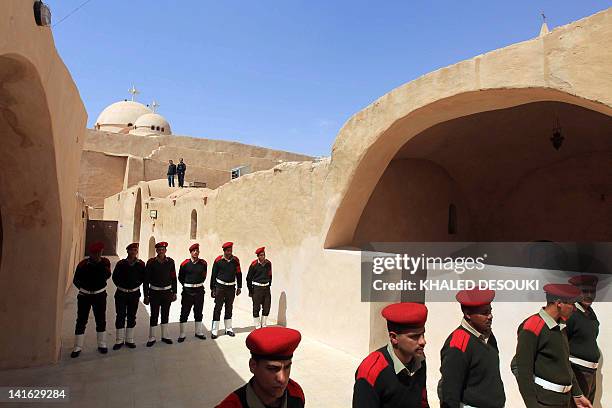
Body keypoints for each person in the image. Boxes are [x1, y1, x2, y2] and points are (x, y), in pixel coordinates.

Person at [512, 283, 592, 408]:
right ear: (559, 303)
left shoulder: (560, 325)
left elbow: (565, 363)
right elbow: (523, 371)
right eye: (572, 304)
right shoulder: (532, 327)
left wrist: (577, 394)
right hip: (544, 402)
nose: (575, 309)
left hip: (563, 400)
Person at [353, 302, 429, 407]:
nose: (423, 341)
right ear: (394, 338)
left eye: (423, 334)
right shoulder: (371, 371)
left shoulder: (419, 359)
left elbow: (422, 401)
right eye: (414, 336)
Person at [438, 289, 505, 408]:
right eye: (484, 313)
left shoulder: (487, 335)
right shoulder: (458, 344)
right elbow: (450, 392)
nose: (490, 316)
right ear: (468, 314)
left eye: (490, 311)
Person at [216, 327, 305, 407]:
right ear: (253, 366)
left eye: (287, 367)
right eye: (272, 369)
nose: (282, 379)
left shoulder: (295, 394)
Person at [71, 241, 111, 358]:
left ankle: (102, 344)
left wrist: (99, 264)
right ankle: (77, 346)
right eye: (95, 253)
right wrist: (84, 289)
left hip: (99, 295)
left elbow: (107, 276)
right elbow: (76, 280)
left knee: (100, 319)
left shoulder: (105, 262)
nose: (97, 255)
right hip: (84, 296)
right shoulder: (83, 264)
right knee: (81, 320)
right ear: (90, 253)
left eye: (99, 253)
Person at [567, 275, 600, 406]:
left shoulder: (591, 314)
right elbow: (562, 345)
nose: (590, 295)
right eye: (585, 291)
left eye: (593, 291)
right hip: (577, 372)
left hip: (591, 373)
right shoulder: (571, 314)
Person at [112, 242, 146, 350]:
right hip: (121, 294)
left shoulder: (141, 264)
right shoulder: (121, 264)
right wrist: (121, 286)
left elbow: (143, 278)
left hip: (134, 294)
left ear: (137, 252)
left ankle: (129, 339)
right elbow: (114, 277)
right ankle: (119, 340)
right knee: (120, 315)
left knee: (132, 316)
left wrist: (136, 285)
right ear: (127, 251)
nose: (133, 252)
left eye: (135, 250)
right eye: (131, 250)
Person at [144, 241, 177, 346]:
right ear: (156, 251)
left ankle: (165, 336)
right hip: (154, 292)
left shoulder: (170, 262)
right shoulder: (151, 262)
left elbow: (173, 277)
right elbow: (146, 280)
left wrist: (174, 292)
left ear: (165, 251)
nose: (161, 251)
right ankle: (152, 337)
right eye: (159, 249)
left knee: (165, 313)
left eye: (163, 249)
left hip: (167, 292)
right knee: (154, 314)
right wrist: (146, 295)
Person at [210, 242, 242, 339]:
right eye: (228, 251)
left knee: (229, 307)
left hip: (231, 288)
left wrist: (239, 287)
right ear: (224, 251)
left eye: (231, 250)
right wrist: (212, 288)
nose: (230, 252)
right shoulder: (218, 261)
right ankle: (214, 330)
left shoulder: (236, 260)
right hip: (220, 287)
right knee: (218, 308)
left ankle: (228, 329)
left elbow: (239, 274)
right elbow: (213, 275)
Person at [178, 243, 207, 342]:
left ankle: (198, 332)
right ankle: (182, 334)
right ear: (190, 252)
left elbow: (204, 275)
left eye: (197, 251)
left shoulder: (203, 263)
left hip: (199, 291)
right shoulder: (184, 264)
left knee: (198, 311)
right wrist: (188, 285)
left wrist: (197, 284)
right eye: (194, 251)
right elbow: (180, 277)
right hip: (187, 291)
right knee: (185, 311)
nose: (196, 252)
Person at [246, 246, 272, 329]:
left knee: (267, 306)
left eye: (264, 255)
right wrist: (250, 290)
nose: (263, 257)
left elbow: (270, 275)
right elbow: (248, 278)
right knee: (256, 307)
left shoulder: (268, 263)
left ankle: (264, 324)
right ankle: (257, 325)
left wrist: (269, 284)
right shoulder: (254, 265)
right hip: (257, 288)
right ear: (258, 256)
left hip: (266, 288)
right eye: (261, 255)